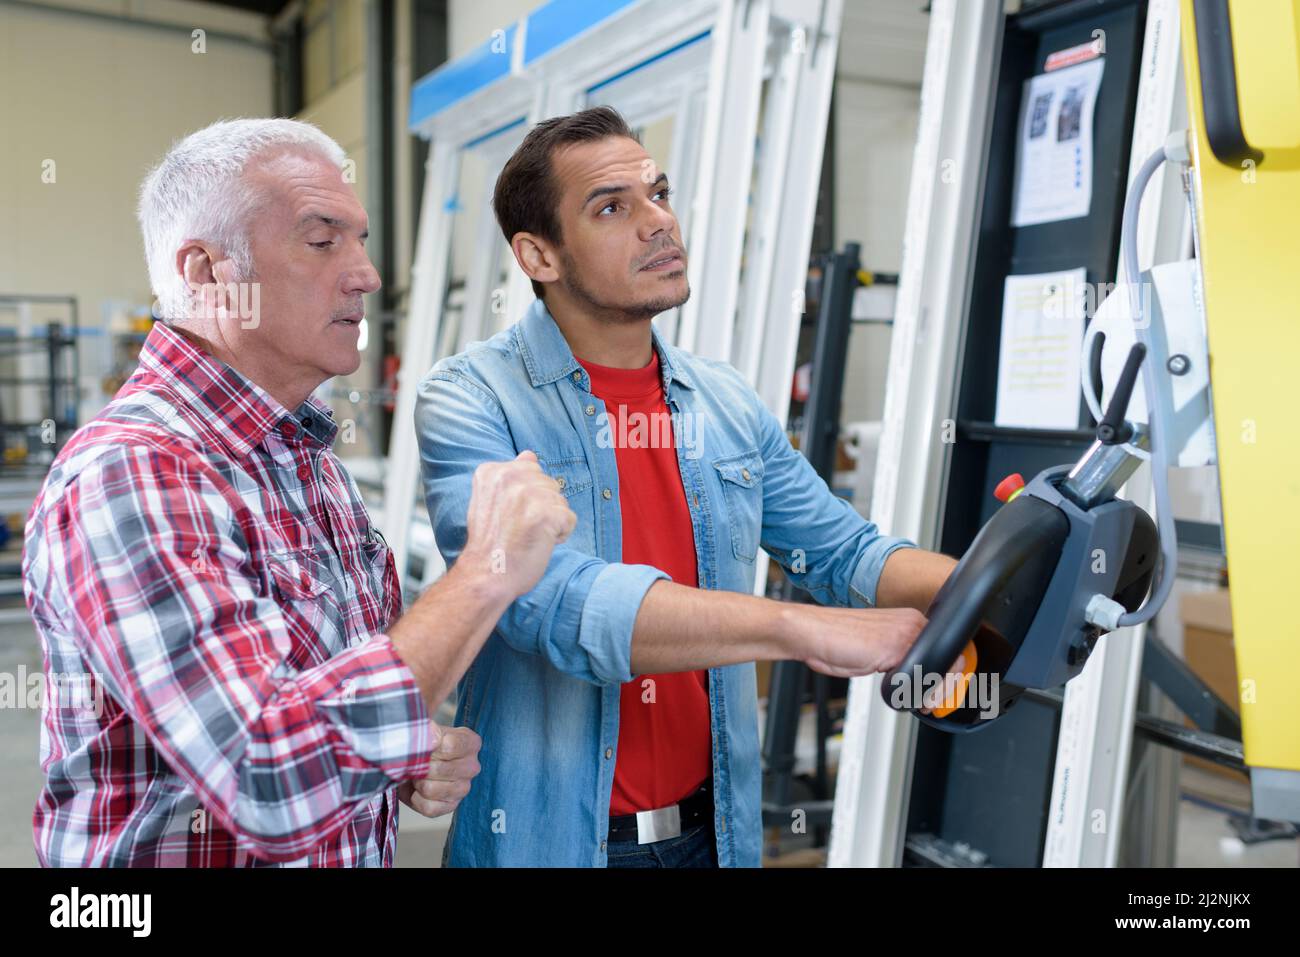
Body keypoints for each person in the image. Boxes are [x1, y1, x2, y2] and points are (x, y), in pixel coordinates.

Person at [415, 107, 959, 867]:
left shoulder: (724, 401)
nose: (658, 222)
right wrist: (797, 628)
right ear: (539, 254)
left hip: (717, 836)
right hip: (554, 843)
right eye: (613, 207)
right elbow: (555, 604)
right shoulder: (473, 400)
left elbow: (847, 551)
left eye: (658, 193)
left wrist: (993, 588)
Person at [22, 118, 575, 867]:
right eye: (323, 242)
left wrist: (397, 755)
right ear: (207, 270)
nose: (367, 275)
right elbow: (267, 778)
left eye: (362, 238)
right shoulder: (138, 471)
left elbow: (320, 706)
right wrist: (486, 570)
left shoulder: (305, 458)